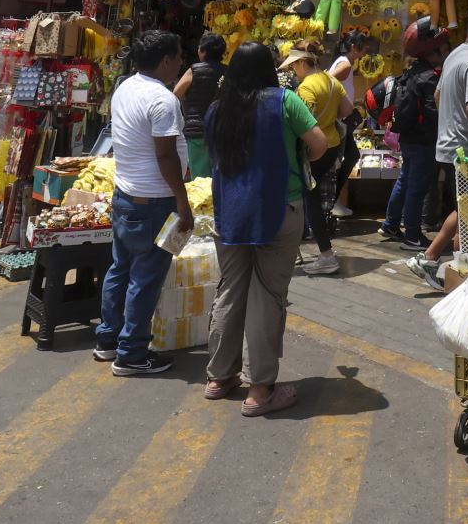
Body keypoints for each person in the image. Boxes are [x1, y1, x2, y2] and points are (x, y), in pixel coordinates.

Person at [202, 41, 328, 414]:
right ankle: (260, 390)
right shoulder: (284, 101)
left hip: (229, 211)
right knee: (267, 296)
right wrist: (297, 155)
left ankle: (219, 377)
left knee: (230, 290)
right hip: (278, 207)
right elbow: (319, 144)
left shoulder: (216, 109)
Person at [95, 30, 194, 376]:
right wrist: (183, 203)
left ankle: (109, 338)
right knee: (145, 277)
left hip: (126, 195)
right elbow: (165, 155)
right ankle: (132, 353)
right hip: (153, 200)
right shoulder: (162, 100)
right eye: (179, 56)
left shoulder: (126, 87)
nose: (182, 63)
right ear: (166, 60)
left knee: (120, 269)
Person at [406, 4, 468, 290]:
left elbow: (437, 95)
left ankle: (459, 265)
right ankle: (431, 257)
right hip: (467, 148)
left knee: (464, 206)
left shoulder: (455, 55)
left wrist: (449, 123)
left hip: (448, 144)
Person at [280, 44, 349, 276]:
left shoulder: (306, 88)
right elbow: (347, 109)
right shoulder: (331, 81)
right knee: (310, 198)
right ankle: (303, 250)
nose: (293, 70)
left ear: (302, 63)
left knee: (308, 200)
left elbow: (302, 123)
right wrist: (328, 118)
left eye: (293, 65)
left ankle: (325, 254)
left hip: (313, 149)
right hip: (332, 145)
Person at [379, 19, 444, 248]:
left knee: (405, 180)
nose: (445, 53)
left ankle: (390, 224)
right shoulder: (430, 77)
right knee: (417, 186)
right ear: (433, 52)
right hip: (423, 139)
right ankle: (412, 235)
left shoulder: (411, 72)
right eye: (442, 49)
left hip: (407, 137)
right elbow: (432, 111)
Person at [327, 28, 375, 218]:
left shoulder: (344, 63)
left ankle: (333, 201)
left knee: (346, 158)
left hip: (340, 120)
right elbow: (328, 82)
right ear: (354, 47)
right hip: (339, 121)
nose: (365, 54)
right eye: (364, 50)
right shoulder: (345, 64)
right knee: (345, 158)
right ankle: (331, 201)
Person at [172, 32, 228, 178]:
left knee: (200, 180)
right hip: (221, 130)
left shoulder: (194, 70)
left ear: (203, 51)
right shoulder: (228, 72)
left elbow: (174, 95)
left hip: (198, 131)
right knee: (220, 177)